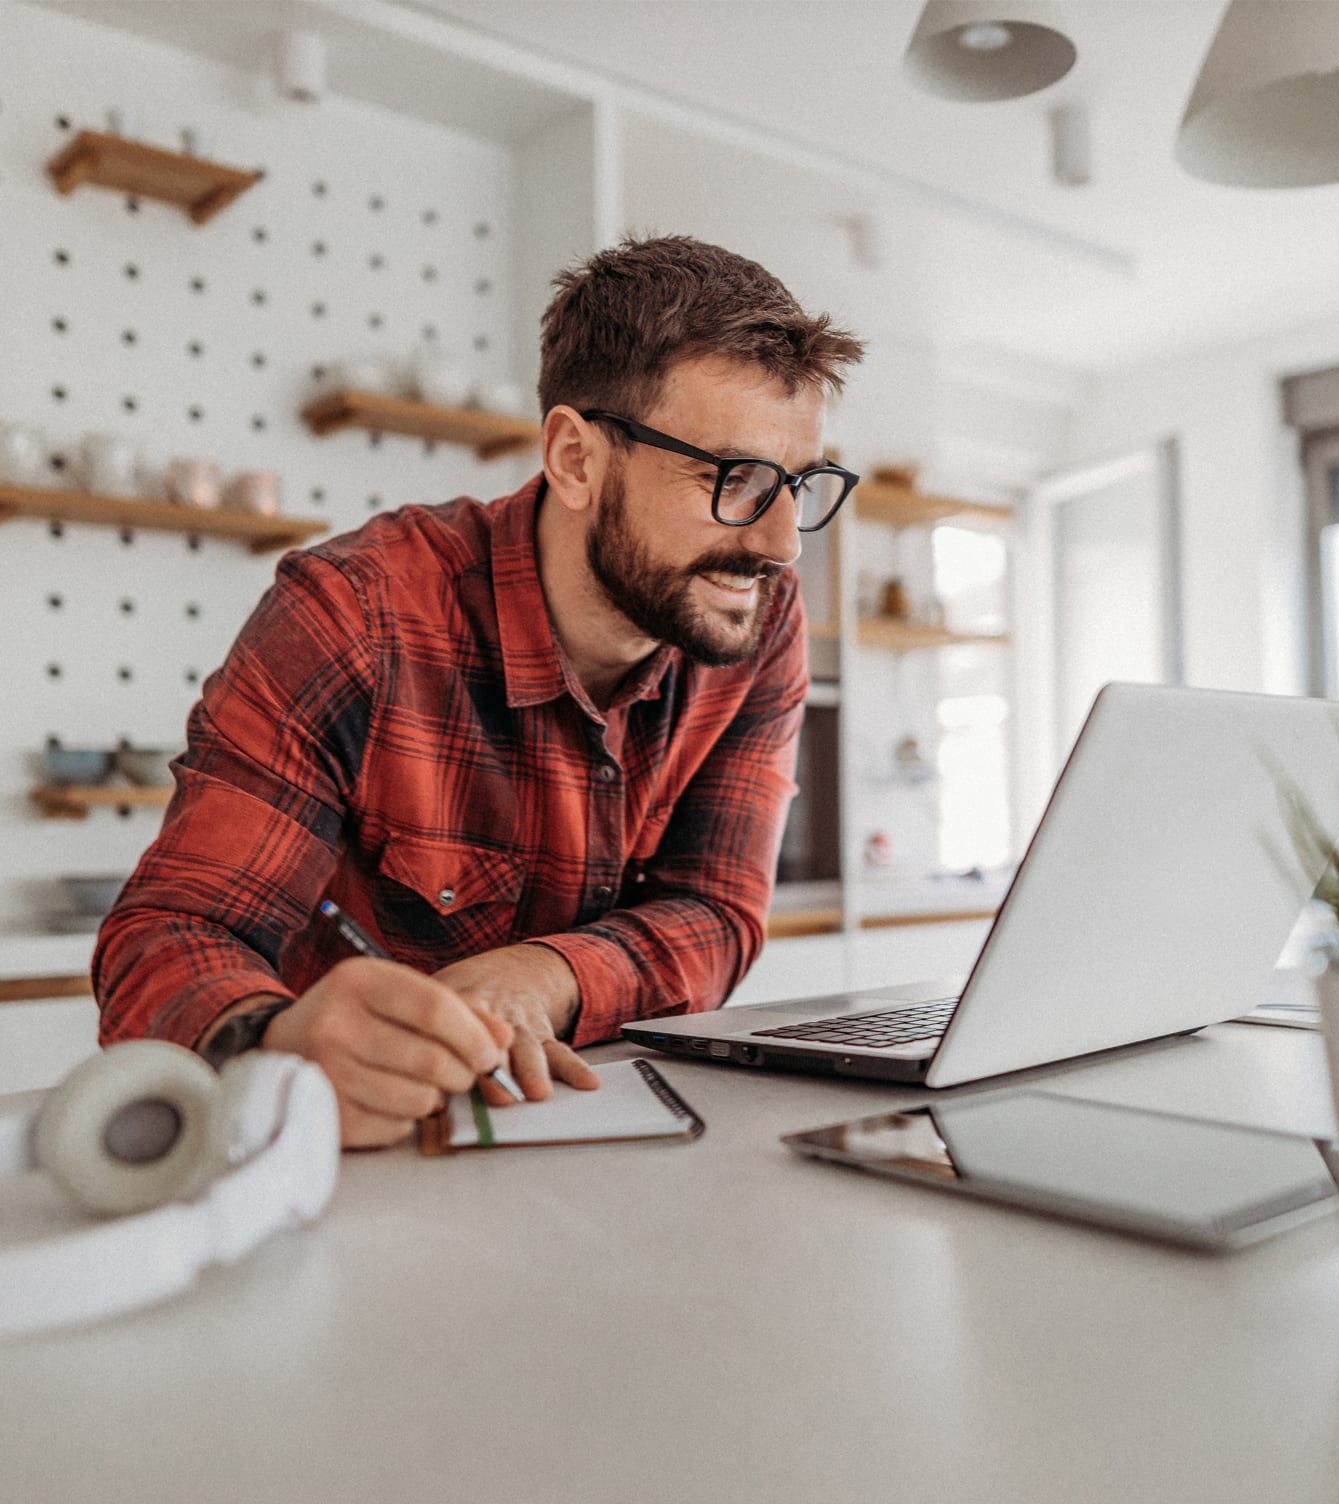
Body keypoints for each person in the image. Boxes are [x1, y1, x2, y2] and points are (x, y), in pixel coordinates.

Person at [94, 234, 864, 1148]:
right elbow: (169, 931)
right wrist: (270, 1039)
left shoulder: (752, 613)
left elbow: (720, 912)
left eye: (802, 483)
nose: (782, 544)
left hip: (596, 1142)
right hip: (345, 1154)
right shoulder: (355, 615)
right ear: (576, 459)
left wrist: (544, 975)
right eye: (733, 478)